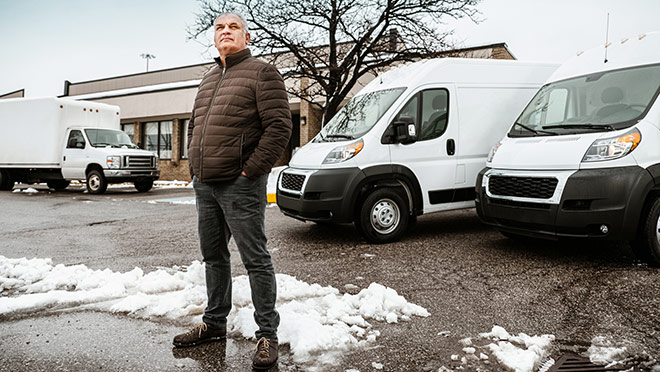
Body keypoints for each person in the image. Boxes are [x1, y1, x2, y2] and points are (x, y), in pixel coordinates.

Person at [172, 12, 292, 371]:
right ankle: (214, 323)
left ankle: (267, 333)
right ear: (215, 37)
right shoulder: (209, 78)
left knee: (255, 259)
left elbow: (279, 128)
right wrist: (195, 169)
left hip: (240, 184)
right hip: (206, 184)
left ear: (247, 37)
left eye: (233, 27)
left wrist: (249, 170)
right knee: (214, 257)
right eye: (220, 28)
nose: (226, 32)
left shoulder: (262, 72)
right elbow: (194, 127)